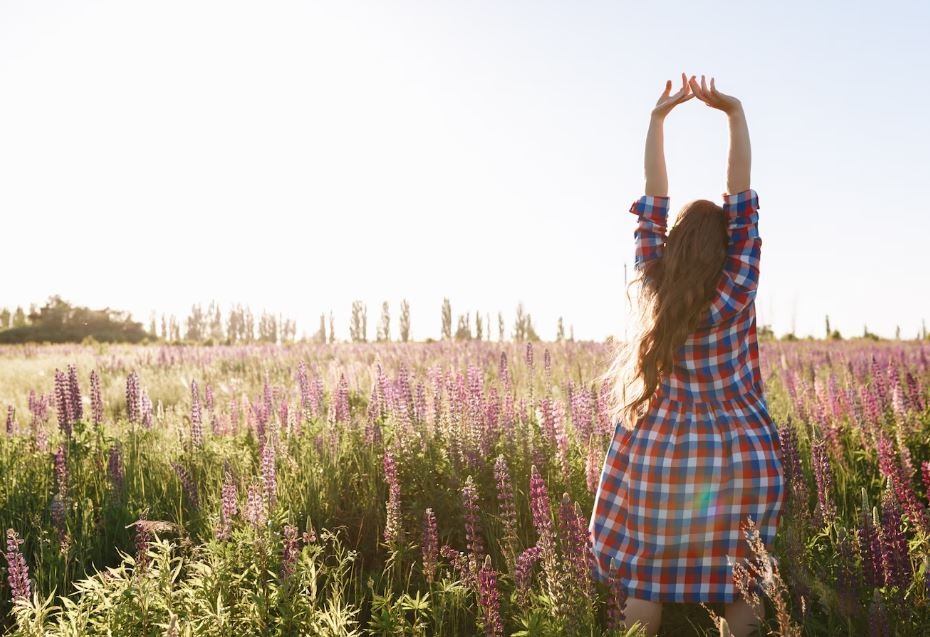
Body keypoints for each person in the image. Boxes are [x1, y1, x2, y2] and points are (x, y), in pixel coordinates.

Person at [589, 74, 786, 637]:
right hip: (741, 453)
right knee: (741, 582)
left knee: (648, 580)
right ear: (727, 246)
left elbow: (651, 206)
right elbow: (743, 204)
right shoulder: (739, 281)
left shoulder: (654, 277)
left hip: (664, 451)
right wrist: (734, 114)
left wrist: (657, 121)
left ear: (672, 245)